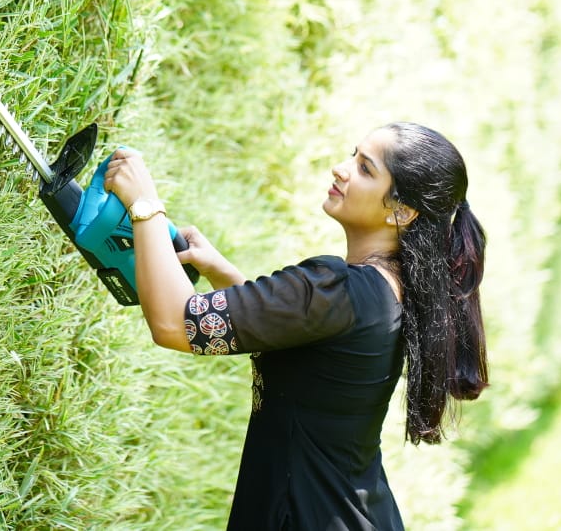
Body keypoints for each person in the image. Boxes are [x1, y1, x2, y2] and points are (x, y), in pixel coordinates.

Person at [103, 121, 488, 531]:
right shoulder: (394, 289)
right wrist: (225, 275)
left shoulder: (339, 290)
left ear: (401, 210)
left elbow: (174, 324)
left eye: (365, 169)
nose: (340, 169)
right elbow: (304, 354)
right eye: (352, 155)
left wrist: (145, 205)